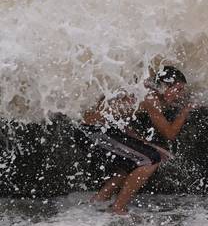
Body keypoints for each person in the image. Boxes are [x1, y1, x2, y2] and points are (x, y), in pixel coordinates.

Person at [81, 66, 194, 215]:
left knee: (133, 161)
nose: (179, 96)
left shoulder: (145, 89)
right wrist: (185, 111)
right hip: (93, 131)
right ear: (165, 85)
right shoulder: (150, 98)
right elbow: (169, 134)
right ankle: (118, 208)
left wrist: (144, 143)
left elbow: (116, 115)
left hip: (96, 128)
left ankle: (100, 199)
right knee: (150, 160)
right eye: (178, 89)